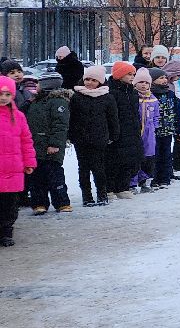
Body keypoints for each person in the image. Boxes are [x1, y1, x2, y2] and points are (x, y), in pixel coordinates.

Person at [69, 65, 118, 207]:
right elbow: (72, 118)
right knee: (83, 168)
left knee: (99, 168)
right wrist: (71, 135)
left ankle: (102, 194)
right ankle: (87, 196)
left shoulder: (107, 98)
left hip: (100, 138)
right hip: (81, 139)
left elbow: (113, 118)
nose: (89, 83)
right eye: (87, 79)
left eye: (93, 80)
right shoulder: (77, 97)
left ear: (100, 82)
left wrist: (114, 135)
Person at [24, 72, 71, 214]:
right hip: (37, 146)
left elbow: (60, 125)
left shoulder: (58, 102)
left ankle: (62, 203)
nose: (35, 86)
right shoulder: (36, 101)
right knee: (37, 177)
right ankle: (39, 203)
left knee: (54, 176)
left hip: (51, 147)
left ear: (46, 85)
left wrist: (55, 144)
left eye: (38, 83)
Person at [0, 77, 37, 247]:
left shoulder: (19, 117)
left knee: (10, 205)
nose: (3, 97)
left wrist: (29, 162)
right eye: (1, 94)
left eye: (7, 94)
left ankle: (6, 232)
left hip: (14, 169)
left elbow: (26, 141)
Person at [106, 61, 141, 199]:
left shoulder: (132, 92)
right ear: (120, 75)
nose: (132, 77)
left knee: (128, 160)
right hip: (117, 131)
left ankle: (123, 187)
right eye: (129, 74)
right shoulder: (112, 92)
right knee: (113, 161)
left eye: (133, 74)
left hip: (131, 130)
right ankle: (109, 188)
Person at [152, 70, 180, 186]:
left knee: (166, 154)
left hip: (168, 130)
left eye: (165, 77)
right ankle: (155, 178)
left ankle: (165, 177)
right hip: (155, 131)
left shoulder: (170, 94)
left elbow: (176, 112)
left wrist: (179, 129)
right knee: (156, 155)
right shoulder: (151, 94)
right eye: (160, 78)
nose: (164, 80)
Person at [134, 69, 160, 191]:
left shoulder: (153, 99)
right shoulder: (134, 98)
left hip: (149, 133)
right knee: (135, 156)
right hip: (135, 131)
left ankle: (145, 181)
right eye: (140, 82)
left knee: (148, 156)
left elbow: (156, 116)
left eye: (146, 82)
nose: (143, 85)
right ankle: (132, 182)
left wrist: (154, 127)